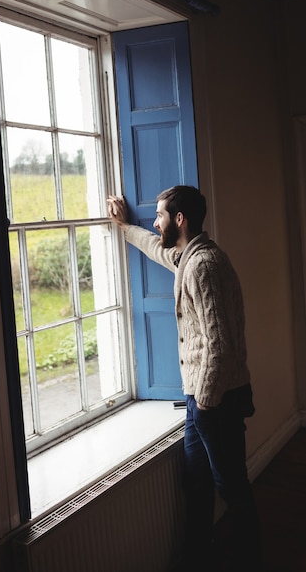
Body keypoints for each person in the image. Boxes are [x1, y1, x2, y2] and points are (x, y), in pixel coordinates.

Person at [107, 186, 262, 572]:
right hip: (201, 399)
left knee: (231, 486)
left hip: (215, 399)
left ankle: (252, 559)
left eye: (159, 216)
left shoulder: (204, 266)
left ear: (180, 220)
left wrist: (206, 404)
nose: (154, 222)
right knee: (196, 482)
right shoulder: (191, 258)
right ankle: (197, 558)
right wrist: (125, 228)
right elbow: (159, 250)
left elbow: (219, 345)